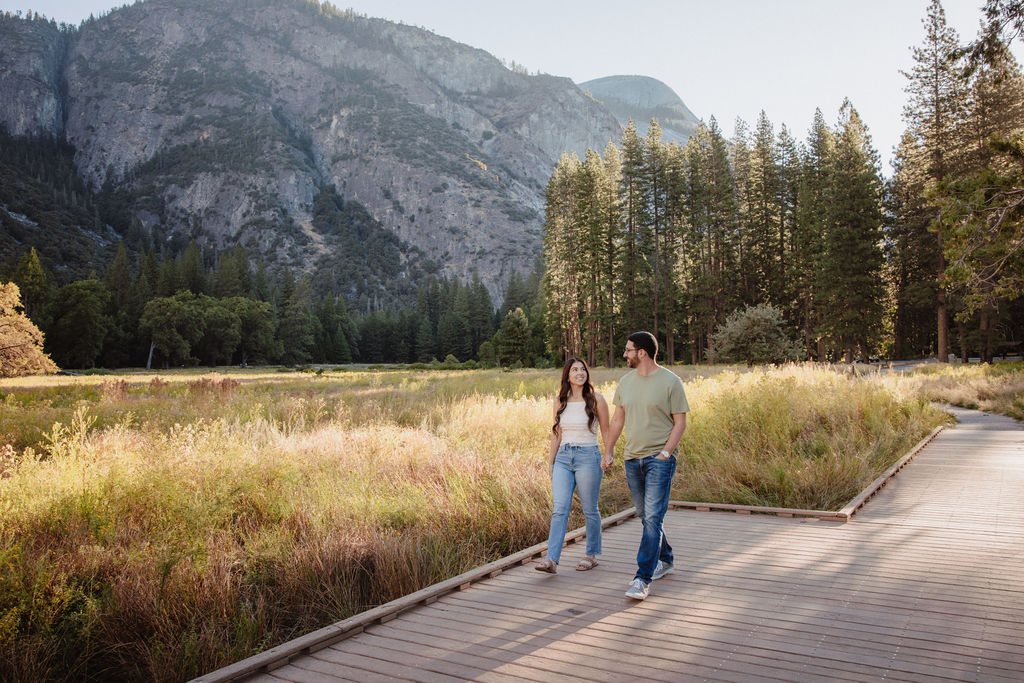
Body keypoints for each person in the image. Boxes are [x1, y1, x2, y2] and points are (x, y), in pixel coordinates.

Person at [605, 331, 689, 600]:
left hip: (659, 460)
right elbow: (617, 421)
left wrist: (666, 453)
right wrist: (608, 450)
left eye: (628, 350)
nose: (625, 354)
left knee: (653, 517)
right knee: (645, 515)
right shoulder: (625, 382)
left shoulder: (670, 382)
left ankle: (642, 578)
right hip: (632, 459)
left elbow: (680, 422)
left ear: (642, 352)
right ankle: (666, 558)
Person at [535, 356, 612, 574]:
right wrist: (550, 462)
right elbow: (556, 433)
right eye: (575, 370)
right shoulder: (560, 400)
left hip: (589, 456)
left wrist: (608, 454)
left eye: (583, 369)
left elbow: (606, 430)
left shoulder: (597, 399)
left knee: (590, 509)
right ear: (567, 375)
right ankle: (551, 559)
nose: (580, 373)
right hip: (563, 457)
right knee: (559, 509)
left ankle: (591, 554)